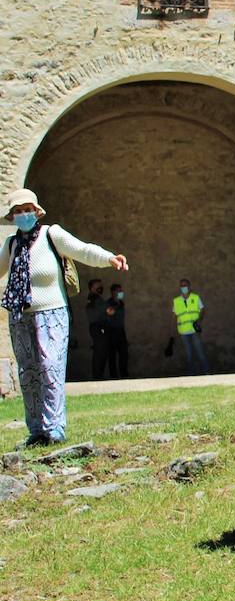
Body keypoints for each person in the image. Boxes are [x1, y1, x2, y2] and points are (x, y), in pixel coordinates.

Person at [2, 188, 127, 446]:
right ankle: (36, 431)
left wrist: (109, 258)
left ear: (36, 213)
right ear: (12, 217)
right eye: (18, 211)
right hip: (20, 317)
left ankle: (54, 428)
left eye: (27, 210)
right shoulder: (11, 245)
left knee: (50, 368)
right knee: (28, 373)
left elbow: (83, 250)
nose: (23, 214)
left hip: (52, 314)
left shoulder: (51, 234)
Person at [172, 277, 209, 375]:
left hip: (194, 330)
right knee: (189, 354)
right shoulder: (176, 301)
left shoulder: (195, 297)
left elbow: (202, 310)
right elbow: (174, 315)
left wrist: (199, 321)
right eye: (181, 285)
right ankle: (191, 376)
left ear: (189, 286)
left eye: (185, 285)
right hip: (183, 331)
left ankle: (206, 373)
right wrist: (173, 330)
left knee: (200, 352)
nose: (183, 287)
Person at [84, 278, 108, 380]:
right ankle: (98, 376)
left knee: (101, 351)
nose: (100, 288)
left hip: (99, 326)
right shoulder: (94, 299)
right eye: (98, 286)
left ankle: (99, 375)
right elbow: (102, 311)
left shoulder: (96, 298)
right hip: (97, 327)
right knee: (99, 351)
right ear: (92, 288)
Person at [104, 283, 130, 378]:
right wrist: (115, 306)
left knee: (124, 354)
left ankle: (124, 374)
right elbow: (109, 312)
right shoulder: (109, 303)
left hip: (120, 330)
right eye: (119, 291)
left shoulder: (121, 303)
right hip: (112, 331)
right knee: (112, 355)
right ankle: (113, 376)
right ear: (113, 292)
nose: (121, 293)